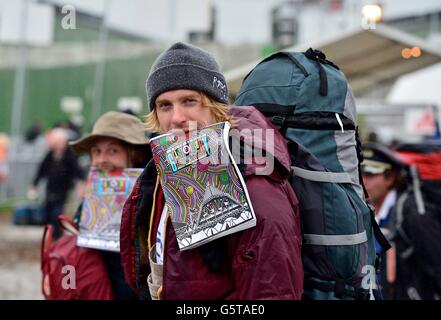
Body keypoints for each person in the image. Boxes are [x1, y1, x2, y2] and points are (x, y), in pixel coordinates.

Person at [122, 42, 303, 300]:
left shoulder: (254, 185)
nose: (177, 117)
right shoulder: (161, 178)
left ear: (216, 106)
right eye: (165, 105)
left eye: (189, 101)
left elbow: (271, 294)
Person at [70, 111, 151, 300]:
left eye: (112, 151)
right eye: (96, 152)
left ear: (135, 154)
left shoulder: (153, 195)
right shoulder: (93, 195)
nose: (101, 160)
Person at [361, 142, 405, 299]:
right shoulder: (361, 212)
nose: (363, 181)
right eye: (361, 173)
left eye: (370, 175)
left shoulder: (403, 216)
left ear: (390, 178)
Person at [29, 128, 84, 239]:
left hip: (63, 189)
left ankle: (56, 236)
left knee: (57, 214)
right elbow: (41, 170)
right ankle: (50, 234)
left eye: (60, 142)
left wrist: (81, 183)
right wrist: (34, 185)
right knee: (47, 212)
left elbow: (77, 171)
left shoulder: (69, 156)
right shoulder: (50, 155)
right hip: (50, 189)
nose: (59, 145)